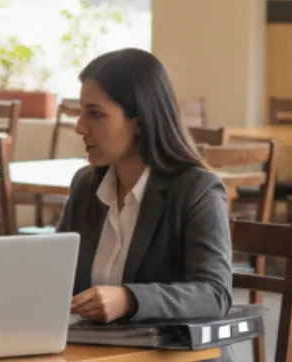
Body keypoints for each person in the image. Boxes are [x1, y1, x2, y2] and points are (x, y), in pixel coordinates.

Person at [57, 48, 237, 360]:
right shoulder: (86, 185)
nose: (80, 126)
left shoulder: (197, 190)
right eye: (80, 112)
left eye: (95, 114)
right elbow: (56, 277)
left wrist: (129, 299)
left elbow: (214, 294)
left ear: (140, 121)